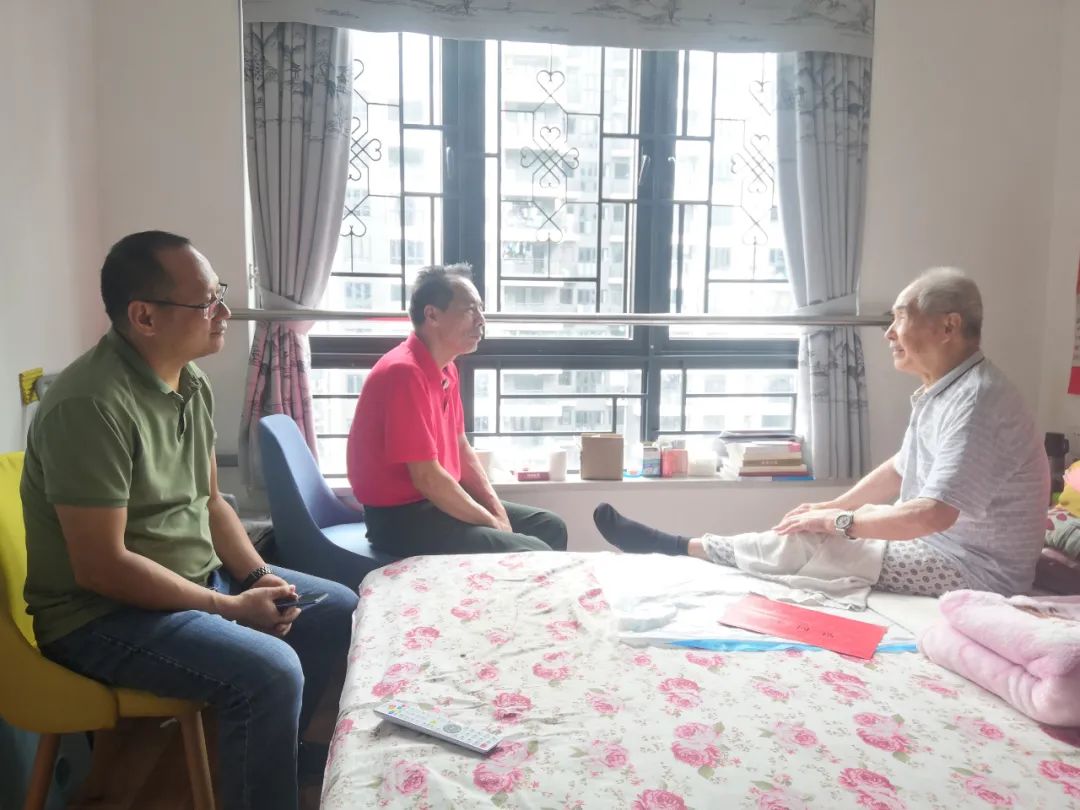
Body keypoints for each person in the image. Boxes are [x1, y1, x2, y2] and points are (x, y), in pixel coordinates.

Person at [22, 231, 358, 810]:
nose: (223, 313)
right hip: (101, 616)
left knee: (335, 607)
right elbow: (102, 567)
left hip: (193, 584)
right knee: (272, 670)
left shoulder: (190, 382)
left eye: (219, 294)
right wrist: (229, 609)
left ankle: (284, 759)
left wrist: (257, 578)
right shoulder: (91, 405)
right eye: (207, 302)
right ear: (145, 316)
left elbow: (211, 503)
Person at [593, 267, 1049, 597]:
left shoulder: (978, 401)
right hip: (944, 548)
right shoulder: (945, 390)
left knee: (819, 541)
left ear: (948, 326)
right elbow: (900, 469)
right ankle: (693, 549)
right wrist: (834, 506)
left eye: (900, 318)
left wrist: (836, 523)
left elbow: (933, 514)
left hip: (976, 572)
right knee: (831, 523)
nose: (889, 333)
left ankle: (675, 548)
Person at [347, 264, 568, 555]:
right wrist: (491, 523)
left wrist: (497, 513)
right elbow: (427, 477)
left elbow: (460, 447)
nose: (481, 320)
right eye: (470, 310)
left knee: (550, 526)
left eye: (481, 310)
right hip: (401, 519)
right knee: (530, 549)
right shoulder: (403, 372)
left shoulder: (446, 368)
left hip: (435, 503)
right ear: (432, 315)